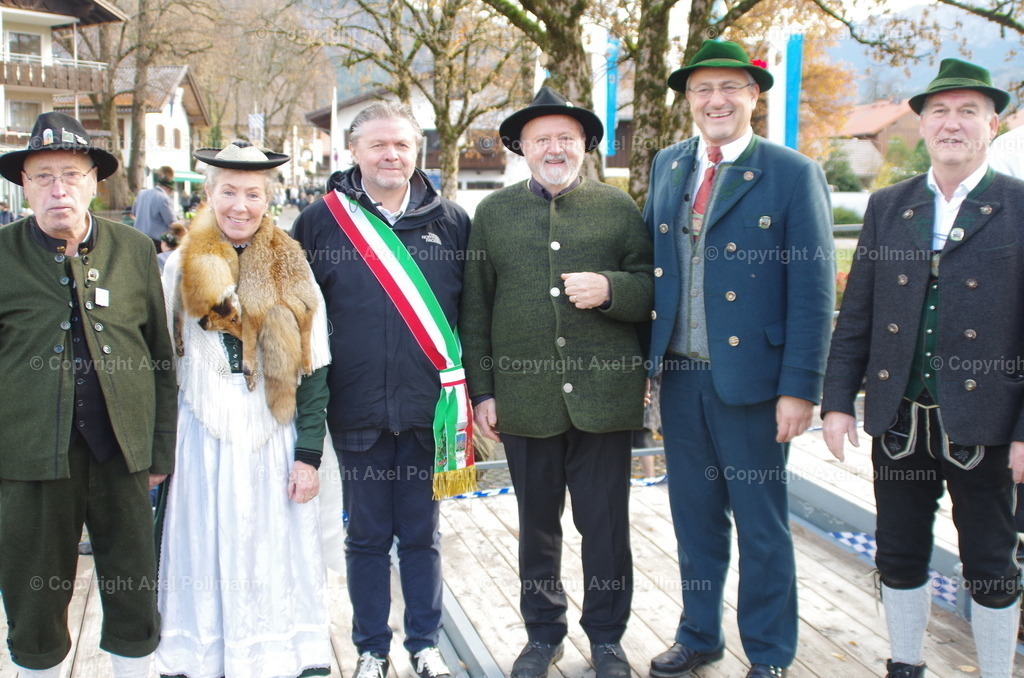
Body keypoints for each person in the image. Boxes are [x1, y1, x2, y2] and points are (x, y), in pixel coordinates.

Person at [822, 59, 1024, 678]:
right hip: (899, 418)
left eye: (968, 111)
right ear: (923, 124)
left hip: (988, 421)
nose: (952, 123)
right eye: (939, 111)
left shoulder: (1019, 206)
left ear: (993, 124)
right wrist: (835, 401)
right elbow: (857, 312)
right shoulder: (891, 205)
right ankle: (904, 665)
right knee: (899, 552)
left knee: (991, 561)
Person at [643, 40, 835, 678]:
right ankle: (699, 635)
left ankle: (771, 654)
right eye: (703, 90)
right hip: (680, 377)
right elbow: (654, 272)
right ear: (690, 101)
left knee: (761, 527)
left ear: (754, 96)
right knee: (693, 519)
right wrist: (647, 366)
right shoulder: (668, 165)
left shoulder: (790, 172)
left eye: (730, 88)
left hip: (755, 384)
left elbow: (812, 291)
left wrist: (801, 388)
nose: (716, 100)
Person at [460, 86, 652, 678]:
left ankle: (607, 638)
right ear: (522, 147)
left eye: (566, 138)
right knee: (536, 526)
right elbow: (475, 310)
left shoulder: (618, 208)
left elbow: (652, 288)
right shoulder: (492, 213)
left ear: (585, 146)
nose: (554, 148)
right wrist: (484, 392)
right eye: (542, 138)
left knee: (605, 528)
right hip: (524, 400)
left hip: (605, 398)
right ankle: (543, 634)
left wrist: (612, 289)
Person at [291, 101, 472, 678]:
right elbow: (299, 319)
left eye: (400, 145)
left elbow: (472, 316)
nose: (390, 154)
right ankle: (372, 648)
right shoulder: (322, 220)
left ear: (416, 151)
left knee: (422, 535)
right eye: (377, 145)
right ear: (354, 151)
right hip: (357, 406)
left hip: (430, 409)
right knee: (366, 537)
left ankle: (425, 643)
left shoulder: (453, 222)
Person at [0, 111, 177, 678]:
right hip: (28, 458)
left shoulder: (133, 251)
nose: (58, 189)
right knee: (33, 601)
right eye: (43, 176)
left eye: (71, 175)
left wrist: (159, 452)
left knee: (133, 593)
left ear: (93, 183)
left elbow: (160, 359)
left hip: (122, 454)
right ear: (23, 185)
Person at [156, 140, 333, 678]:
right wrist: (158, 451)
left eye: (252, 193)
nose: (240, 205)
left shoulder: (293, 265)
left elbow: (316, 366)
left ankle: (280, 653)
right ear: (209, 195)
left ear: (268, 199)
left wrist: (308, 456)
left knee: (274, 551)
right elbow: (159, 365)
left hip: (272, 430)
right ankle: (204, 656)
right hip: (201, 430)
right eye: (228, 191)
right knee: (203, 550)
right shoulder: (181, 266)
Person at [132, 165, 176, 248]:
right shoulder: (163, 198)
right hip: (155, 241)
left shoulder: (141, 193)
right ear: (168, 188)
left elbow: (134, 212)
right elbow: (171, 222)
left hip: (138, 237)